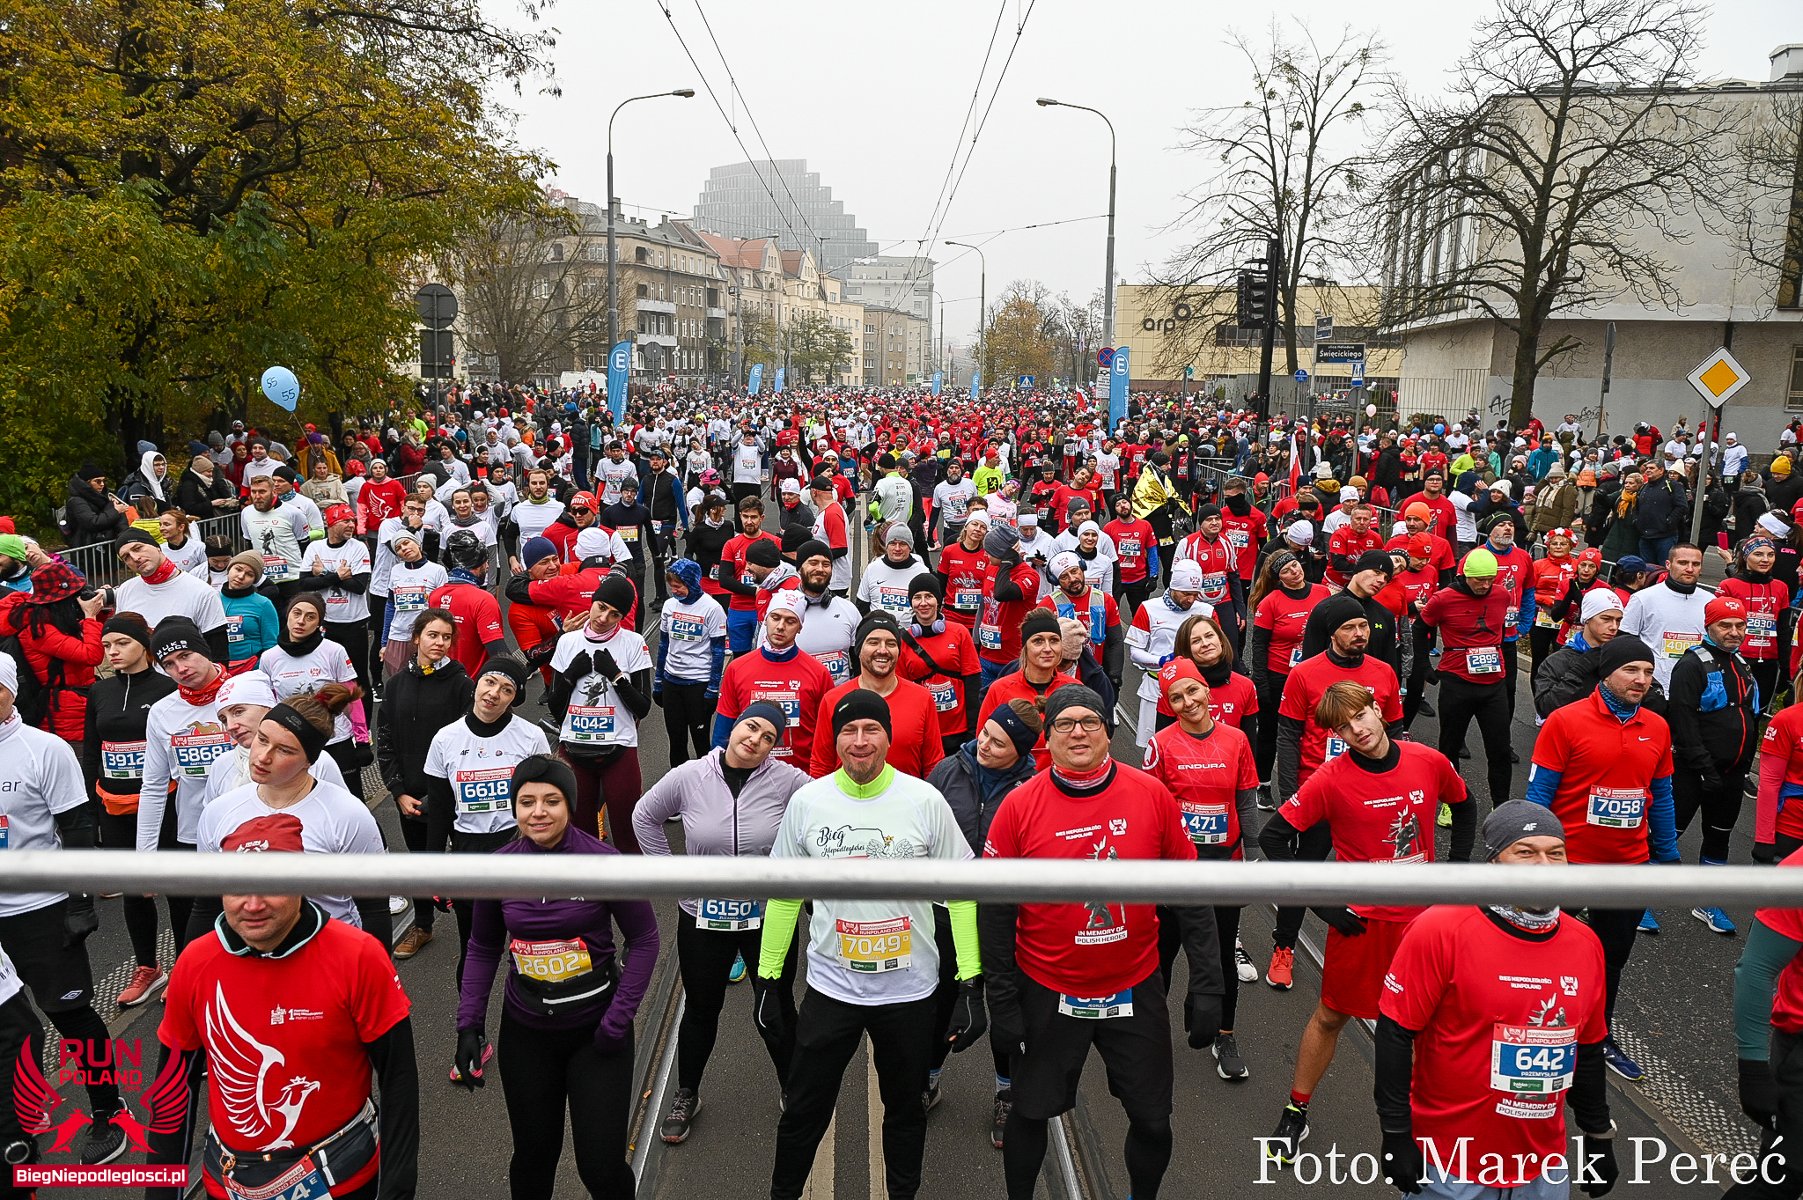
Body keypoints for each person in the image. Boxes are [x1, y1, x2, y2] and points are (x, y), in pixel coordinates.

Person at [980, 684, 1223, 1200]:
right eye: (1065, 724)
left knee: (1153, 1120)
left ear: (1109, 732)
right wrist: (1000, 1001)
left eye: (1089, 722)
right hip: (1048, 989)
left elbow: (1192, 892)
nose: (1078, 733)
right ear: (1047, 739)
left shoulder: (1150, 795)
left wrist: (1208, 983)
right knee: (1029, 1113)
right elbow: (995, 912)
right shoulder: (1018, 806)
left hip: (1133, 986)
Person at [755, 690, 985, 1200]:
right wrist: (769, 979)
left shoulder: (924, 800)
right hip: (832, 990)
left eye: (871, 729)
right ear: (835, 740)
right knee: (803, 1112)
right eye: (849, 731)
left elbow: (962, 891)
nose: (860, 742)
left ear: (889, 736)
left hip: (909, 993)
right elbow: (784, 895)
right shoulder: (807, 802)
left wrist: (971, 980)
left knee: (905, 1112)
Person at [149, 814, 418, 1200]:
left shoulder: (358, 956)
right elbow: (173, 1090)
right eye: (237, 888)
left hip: (343, 1179)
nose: (253, 904)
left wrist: (396, 1191)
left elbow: (399, 1081)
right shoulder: (196, 962)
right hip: (230, 1183)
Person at [1260, 680, 1471, 1165]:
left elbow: (1463, 806)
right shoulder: (1330, 779)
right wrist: (1325, 906)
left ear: (1378, 709)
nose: (1357, 730)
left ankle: (1419, 1122)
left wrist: (1457, 874)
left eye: (1360, 716)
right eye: (1343, 727)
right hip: (1363, 925)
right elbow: (1273, 839)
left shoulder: (1428, 760)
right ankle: (1296, 1110)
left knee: (1423, 1026)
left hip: (1423, 924)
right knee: (1331, 1016)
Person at [1374, 802, 1617, 1199]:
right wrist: (1396, 1132)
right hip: (1450, 1165)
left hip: (1542, 1169)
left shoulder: (1586, 944)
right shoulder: (1440, 929)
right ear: (1493, 863)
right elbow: (1394, 1034)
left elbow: (1587, 1050)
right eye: (1526, 852)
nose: (1544, 866)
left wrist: (1598, 1135)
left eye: (1556, 853)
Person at [634, 705, 813, 1144]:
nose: (756, 740)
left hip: (766, 917)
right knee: (701, 1008)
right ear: (734, 727)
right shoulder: (691, 775)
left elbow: (826, 812)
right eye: (751, 727)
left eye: (768, 737)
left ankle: (793, 1087)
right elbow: (644, 817)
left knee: (775, 1006)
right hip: (703, 916)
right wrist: (671, 875)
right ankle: (687, 1093)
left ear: (774, 748)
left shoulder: (788, 781)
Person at [1526, 634, 1678, 1083]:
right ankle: (1535, 1027)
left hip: (1627, 866)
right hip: (1568, 865)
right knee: (1541, 953)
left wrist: (1667, 858)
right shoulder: (1565, 721)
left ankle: (1599, 1036)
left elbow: (1662, 796)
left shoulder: (1657, 726)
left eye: (1648, 672)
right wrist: (1531, 855)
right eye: (1631, 670)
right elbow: (1539, 796)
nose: (1641, 679)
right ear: (1607, 673)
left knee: (1611, 960)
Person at [0, 652, 125, 1166]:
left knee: (69, 1015)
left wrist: (79, 902)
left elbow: (76, 827)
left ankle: (108, 1109)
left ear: (10, 692)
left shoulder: (44, 749)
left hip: (40, 907)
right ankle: (17, 1116)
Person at [1268, 594, 1405, 991]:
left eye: (1362, 626)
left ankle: (1385, 953)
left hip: (1372, 791)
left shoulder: (1383, 672)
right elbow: (1288, 735)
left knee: (1379, 868)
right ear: (1331, 634)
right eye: (1349, 628)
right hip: (1320, 789)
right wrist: (1290, 791)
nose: (1359, 633)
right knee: (1305, 868)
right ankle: (1284, 946)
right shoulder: (1304, 674)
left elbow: (1395, 730)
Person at [925, 699, 1041, 1145]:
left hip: (1004, 915)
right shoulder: (947, 770)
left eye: (999, 743)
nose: (984, 745)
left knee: (1005, 1005)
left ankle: (1007, 1092)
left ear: (1021, 752)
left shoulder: (1033, 788)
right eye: (985, 733)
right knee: (942, 1001)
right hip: (946, 909)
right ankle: (930, 1080)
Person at [194, 682, 386, 942]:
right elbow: (205, 907)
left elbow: (374, 910)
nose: (263, 757)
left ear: (309, 761)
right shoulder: (219, 811)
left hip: (329, 954)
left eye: (284, 750)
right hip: (249, 955)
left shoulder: (348, 815)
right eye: (262, 739)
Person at [1142, 658, 1259, 1083]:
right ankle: (1148, 1036)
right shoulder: (1160, 744)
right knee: (1162, 955)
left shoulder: (1236, 740)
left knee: (1222, 952)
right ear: (1168, 704)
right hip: (1177, 869)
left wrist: (1254, 853)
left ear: (1207, 691)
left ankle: (1224, 1035)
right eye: (1176, 697)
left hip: (1224, 864)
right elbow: (1150, 810)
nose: (1188, 702)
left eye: (1192, 691)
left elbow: (1245, 800)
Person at [80, 613, 177, 1006]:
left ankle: (188, 967)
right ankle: (148, 967)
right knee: (135, 891)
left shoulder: (169, 688)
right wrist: (91, 807)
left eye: (122, 643)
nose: (113, 652)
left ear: (144, 645)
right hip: (115, 805)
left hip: (164, 801)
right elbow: (92, 751)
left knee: (179, 888)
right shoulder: (99, 691)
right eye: (107, 645)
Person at [376, 609, 471, 960]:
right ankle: (423, 925)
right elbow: (385, 740)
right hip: (410, 796)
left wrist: (441, 795)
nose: (440, 643)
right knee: (419, 863)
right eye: (433, 635)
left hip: (452, 795)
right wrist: (398, 791)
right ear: (416, 638)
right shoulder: (396, 685)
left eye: (446, 637)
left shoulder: (462, 684)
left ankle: (473, 930)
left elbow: (468, 743)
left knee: (462, 864)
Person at [137, 618, 236, 952]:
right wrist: (145, 857)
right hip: (192, 834)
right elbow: (153, 785)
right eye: (168, 664)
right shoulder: (162, 712)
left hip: (249, 828)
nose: (180, 668)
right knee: (192, 936)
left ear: (204, 650)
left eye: (185, 655)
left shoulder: (245, 691)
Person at [1667, 594, 1759, 935]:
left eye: (1740, 625)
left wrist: (1744, 765)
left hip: (1731, 773)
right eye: (1725, 625)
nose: (1734, 632)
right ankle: (1638, 899)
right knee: (1668, 835)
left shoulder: (1742, 663)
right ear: (1709, 627)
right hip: (1693, 771)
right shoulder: (1691, 665)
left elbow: (1750, 716)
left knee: (1719, 837)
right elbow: (1683, 721)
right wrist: (1703, 765)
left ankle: (1707, 901)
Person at [547, 573, 653, 849]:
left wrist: (616, 676)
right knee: (581, 834)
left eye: (614, 614)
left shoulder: (633, 642)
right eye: (601, 607)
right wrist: (570, 676)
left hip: (619, 750)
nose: (604, 618)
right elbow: (556, 706)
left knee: (627, 833)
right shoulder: (568, 642)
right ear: (592, 601)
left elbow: (643, 706)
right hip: (575, 750)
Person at [1420, 546, 1514, 807]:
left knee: (1500, 749)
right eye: (1479, 580)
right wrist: (1424, 665)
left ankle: (1501, 806)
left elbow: (1500, 630)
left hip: (1494, 684)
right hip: (1457, 682)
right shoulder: (1443, 599)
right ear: (1465, 576)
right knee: (1450, 747)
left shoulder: (1502, 595)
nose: (1485, 585)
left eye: (1490, 579)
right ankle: (1451, 803)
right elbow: (1420, 629)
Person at [809, 611, 944, 780]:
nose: (883, 650)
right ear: (859, 649)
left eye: (891, 643)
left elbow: (933, 764)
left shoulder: (922, 698)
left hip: (906, 796)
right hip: (848, 796)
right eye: (873, 642)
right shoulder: (833, 700)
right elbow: (821, 766)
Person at [713, 590, 835, 769]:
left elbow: (828, 734)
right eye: (775, 618)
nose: (780, 626)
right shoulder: (737, 668)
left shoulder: (819, 673)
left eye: (790, 621)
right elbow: (723, 729)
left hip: (801, 775)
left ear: (800, 627)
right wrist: (718, 770)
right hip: (748, 774)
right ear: (766, 619)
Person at [1247, 548, 1330, 799]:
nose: (1294, 572)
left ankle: (1311, 783)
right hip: (1279, 676)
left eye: (1294, 565)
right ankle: (1263, 784)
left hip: (1314, 675)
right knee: (1271, 732)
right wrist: (1261, 683)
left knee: (1312, 730)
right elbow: (1258, 646)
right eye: (1286, 571)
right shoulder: (1270, 602)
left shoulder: (1322, 593)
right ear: (1278, 578)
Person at [975, 609, 1077, 771]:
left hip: (1064, 780)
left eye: (1054, 640)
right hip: (1014, 780)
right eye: (1038, 641)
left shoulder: (1075, 690)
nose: (1047, 648)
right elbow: (981, 743)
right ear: (1025, 647)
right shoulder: (999, 690)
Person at [1126, 562, 1215, 745]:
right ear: (1173, 587)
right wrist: (1162, 661)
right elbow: (1135, 652)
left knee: (1194, 746)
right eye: (1186, 593)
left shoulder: (1207, 611)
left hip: (1194, 692)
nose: (1190, 599)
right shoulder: (1148, 608)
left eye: (1195, 594)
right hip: (1156, 688)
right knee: (1154, 746)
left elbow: (1218, 650)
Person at [898, 573, 983, 757]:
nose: (923, 603)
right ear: (911, 603)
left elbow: (973, 684)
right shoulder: (903, 641)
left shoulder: (959, 633)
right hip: (924, 730)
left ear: (938, 600)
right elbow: (901, 690)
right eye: (917, 597)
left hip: (958, 731)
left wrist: (973, 730)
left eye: (929, 596)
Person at [655, 557, 728, 766]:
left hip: (698, 683)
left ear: (692, 582)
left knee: (701, 741)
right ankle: (678, 780)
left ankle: (706, 779)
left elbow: (718, 651)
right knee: (676, 739)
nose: (674, 591)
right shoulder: (669, 605)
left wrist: (712, 689)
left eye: (679, 586)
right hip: (672, 681)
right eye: (671, 586)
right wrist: (658, 681)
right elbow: (663, 645)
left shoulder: (712, 609)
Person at [114, 528, 229, 659]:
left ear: (157, 547)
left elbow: (218, 655)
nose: (135, 558)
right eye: (126, 557)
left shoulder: (202, 592)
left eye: (138, 548)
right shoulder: (125, 590)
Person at [299, 502, 374, 687]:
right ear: (331, 523)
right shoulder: (315, 547)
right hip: (326, 622)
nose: (351, 525)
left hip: (354, 623)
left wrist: (324, 574)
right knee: (327, 675)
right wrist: (338, 576)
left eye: (353, 521)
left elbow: (359, 586)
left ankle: (362, 707)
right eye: (345, 521)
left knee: (358, 676)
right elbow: (304, 583)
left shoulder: (358, 547)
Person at [1620, 542, 1710, 691]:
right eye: (1682, 563)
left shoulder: (1710, 601)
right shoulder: (1643, 598)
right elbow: (1624, 642)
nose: (1689, 569)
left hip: (1695, 687)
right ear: (1668, 564)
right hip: (1652, 687)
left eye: (1695, 564)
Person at [975, 523, 1045, 691]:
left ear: (1002, 553)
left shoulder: (1029, 575)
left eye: (990, 551)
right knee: (985, 701)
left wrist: (1006, 562)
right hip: (986, 654)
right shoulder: (991, 567)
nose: (985, 554)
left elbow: (1001, 593)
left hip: (1013, 658)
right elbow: (984, 606)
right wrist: (976, 640)